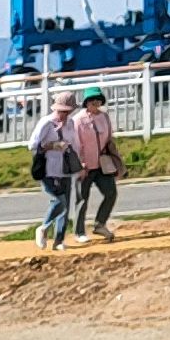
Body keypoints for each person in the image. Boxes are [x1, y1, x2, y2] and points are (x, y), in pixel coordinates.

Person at [69, 89, 124, 241]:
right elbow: (75, 144)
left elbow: (108, 139)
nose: (96, 103)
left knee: (111, 193)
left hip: (101, 165)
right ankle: (79, 232)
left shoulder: (104, 117)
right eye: (92, 100)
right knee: (82, 199)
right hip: (84, 167)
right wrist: (80, 164)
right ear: (86, 102)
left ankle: (100, 224)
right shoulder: (78, 120)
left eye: (98, 100)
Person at [28, 96, 79, 248]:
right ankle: (43, 228)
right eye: (62, 111)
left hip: (65, 167)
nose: (64, 114)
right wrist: (51, 146)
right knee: (60, 201)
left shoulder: (70, 123)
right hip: (49, 168)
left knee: (66, 205)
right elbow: (32, 145)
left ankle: (59, 240)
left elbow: (74, 143)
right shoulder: (46, 123)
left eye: (68, 111)